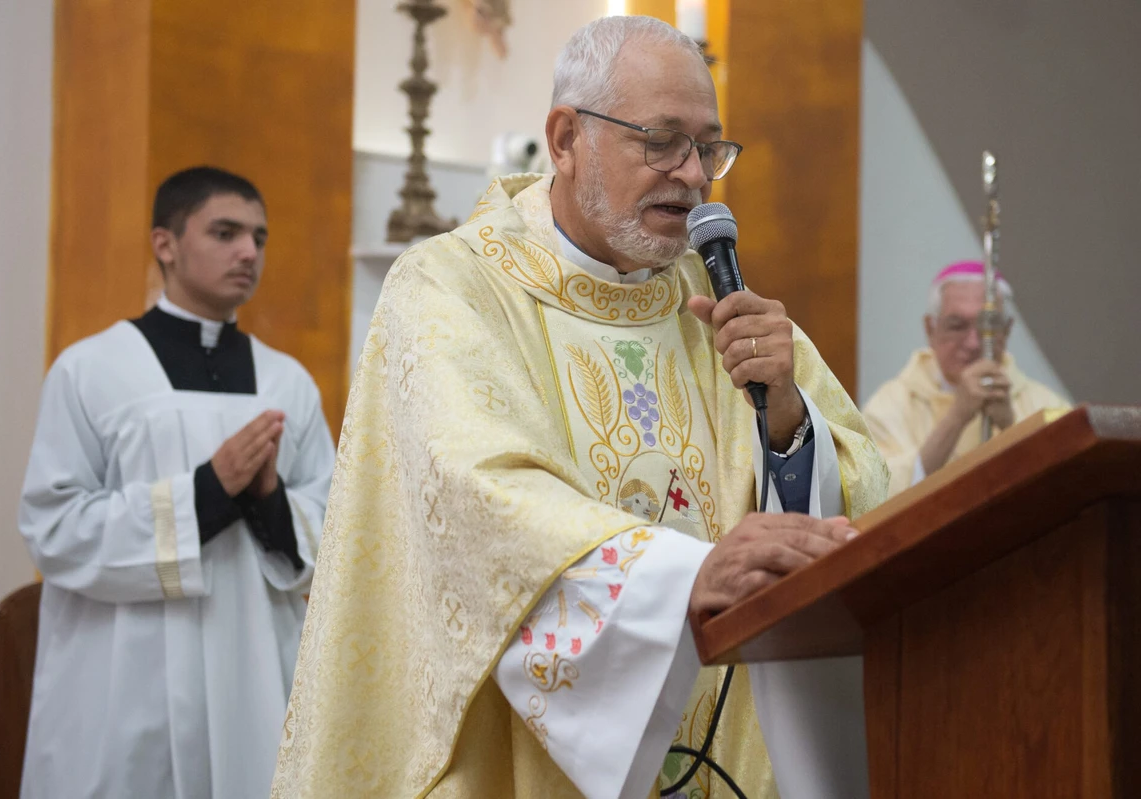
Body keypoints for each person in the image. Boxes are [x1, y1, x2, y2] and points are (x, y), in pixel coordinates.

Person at [272, 17, 887, 799]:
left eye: (709, 148)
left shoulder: (726, 305)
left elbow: (868, 502)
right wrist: (683, 578)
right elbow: (479, 501)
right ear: (565, 138)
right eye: (662, 141)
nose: (694, 175)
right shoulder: (450, 288)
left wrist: (790, 425)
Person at [18, 166, 336, 798]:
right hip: (125, 685)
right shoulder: (91, 371)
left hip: (257, 672)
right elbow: (53, 529)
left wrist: (269, 499)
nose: (249, 252)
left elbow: (336, 532)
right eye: (225, 232)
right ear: (165, 243)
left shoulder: (287, 383)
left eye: (259, 237)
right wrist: (207, 492)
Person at [863, 260, 1070, 496]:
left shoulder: (1047, 405)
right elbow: (875, 496)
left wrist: (1009, 427)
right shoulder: (889, 406)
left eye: (988, 326)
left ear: (1008, 329)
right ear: (931, 329)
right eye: (957, 325)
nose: (973, 343)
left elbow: (1064, 491)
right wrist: (957, 416)